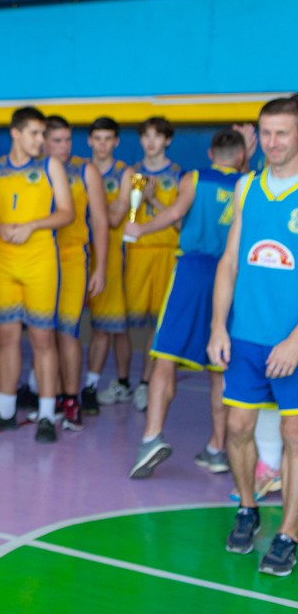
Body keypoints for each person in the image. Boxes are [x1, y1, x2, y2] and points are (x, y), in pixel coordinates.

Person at [209, 95, 298, 576]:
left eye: (283, 132)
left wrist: (296, 340)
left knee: (294, 434)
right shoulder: (248, 187)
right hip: (246, 336)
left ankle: (288, 534)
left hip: (294, 341)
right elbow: (228, 262)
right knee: (237, 428)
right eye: (266, 133)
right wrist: (218, 325)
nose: (272, 142)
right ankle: (248, 507)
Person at [128, 128, 245, 479]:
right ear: (240, 156)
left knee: (165, 357)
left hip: (192, 273)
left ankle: (151, 438)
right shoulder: (248, 184)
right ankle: (217, 449)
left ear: (210, 153)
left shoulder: (194, 177)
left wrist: (142, 229)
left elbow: (177, 214)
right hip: (231, 275)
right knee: (219, 368)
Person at [0, 107, 74, 443]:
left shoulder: (51, 166)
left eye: (42, 134)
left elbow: (67, 213)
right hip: (3, 262)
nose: (41, 140)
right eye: (34, 134)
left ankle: (48, 414)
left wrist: (33, 224)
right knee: (5, 338)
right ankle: (4, 410)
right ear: (16, 133)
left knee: (42, 340)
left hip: (40, 262)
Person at [19, 116, 108, 430]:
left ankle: (71, 399)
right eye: (56, 140)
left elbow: (100, 221)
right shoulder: (31, 171)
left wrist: (100, 267)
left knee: (67, 332)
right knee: (41, 334)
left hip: (71, 260)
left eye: (67, 140)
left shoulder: (85, 171)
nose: (62, 146)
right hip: (38, 259)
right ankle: (50, 397)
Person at [110, 117, 184, 411]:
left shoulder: (180, 175)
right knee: (123, 321)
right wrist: (132, 202)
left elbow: (180, 225)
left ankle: (146, 382)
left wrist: (153, 201)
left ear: (167, 140)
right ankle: (123, 381)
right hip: (135, 253)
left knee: (159, 322)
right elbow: (120, 216)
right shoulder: (131, 174)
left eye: (158, 136)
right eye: (146, 136)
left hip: (166, 253)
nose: (151, 142)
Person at [85, 117, 134, 411]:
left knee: (111, 326)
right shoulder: (80, 169)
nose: (102, 144)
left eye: (108, 139)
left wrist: (90, 197)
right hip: (76, 250)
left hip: (111, 255)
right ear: (89, 141)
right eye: (98, 138)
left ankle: (102, 384)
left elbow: (115, 218)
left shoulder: (124, 173)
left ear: (116, 142)